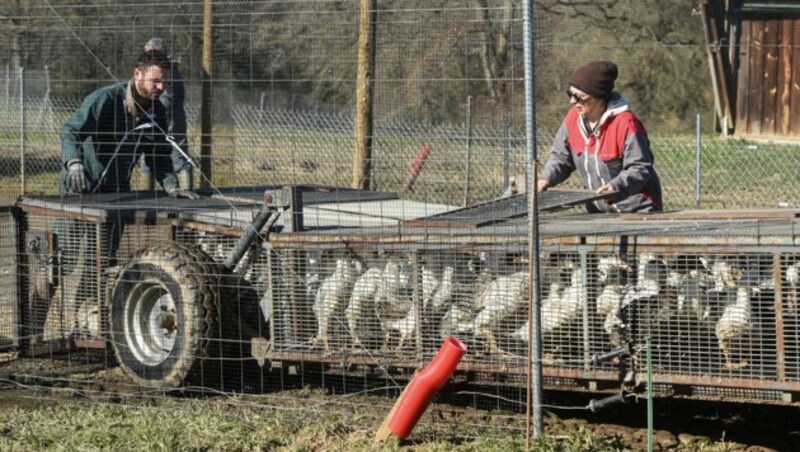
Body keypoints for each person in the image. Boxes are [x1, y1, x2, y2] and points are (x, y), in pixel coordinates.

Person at [537, 60, 663, 213]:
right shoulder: (572, 119)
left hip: (636, 210)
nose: (572, 101)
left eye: (579, 97)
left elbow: (639, 167)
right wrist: (547, 178)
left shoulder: (626, 123)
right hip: (598, 210)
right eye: (570, 94)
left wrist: (616, 187)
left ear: (598, 97)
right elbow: (561, 157)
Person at [143, 37, 195, 189]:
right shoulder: (164, 70)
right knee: (149, 159)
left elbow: (165, 102)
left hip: (169, 124)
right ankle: (147, 202)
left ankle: (186, 201)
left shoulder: (168, 72)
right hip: (159, 122)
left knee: (179, 159)